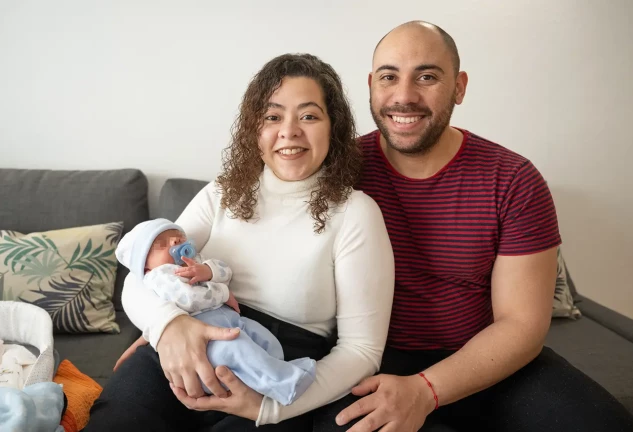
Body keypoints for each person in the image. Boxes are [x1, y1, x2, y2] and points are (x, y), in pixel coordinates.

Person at [313, 21, 633, 432]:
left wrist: (425, 390)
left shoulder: (513, 179)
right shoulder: (337, 172)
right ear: (372, 85)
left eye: (427, 76)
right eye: (389, 77)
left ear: (459, 88)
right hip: (365, 362)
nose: (404, 96)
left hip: (485, 363)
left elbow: (521, 324)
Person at [83, 53, 395, 432]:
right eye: (273, 116)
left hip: (274, 370)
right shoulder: (222, 193)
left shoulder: (356, 213)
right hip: (189, 335)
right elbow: (140, 271)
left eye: (309, 116)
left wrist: (271, 408)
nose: (290, 131)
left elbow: (361, 351)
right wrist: (165, 326)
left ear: (334, 127)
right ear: (254, 129)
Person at [114, 218, 317, 405]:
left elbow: (225, 271)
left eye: (178, 236)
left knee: (266, 341)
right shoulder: (160, 276)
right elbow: (189, 299)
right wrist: (222, 292)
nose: (175, 240)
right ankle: (285, 385)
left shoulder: (196, 261)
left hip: (231, 318)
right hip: (204, 333)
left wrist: (208, 271)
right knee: (238, 351)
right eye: (162, 243)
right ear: (145, 265)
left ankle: (275, 371)